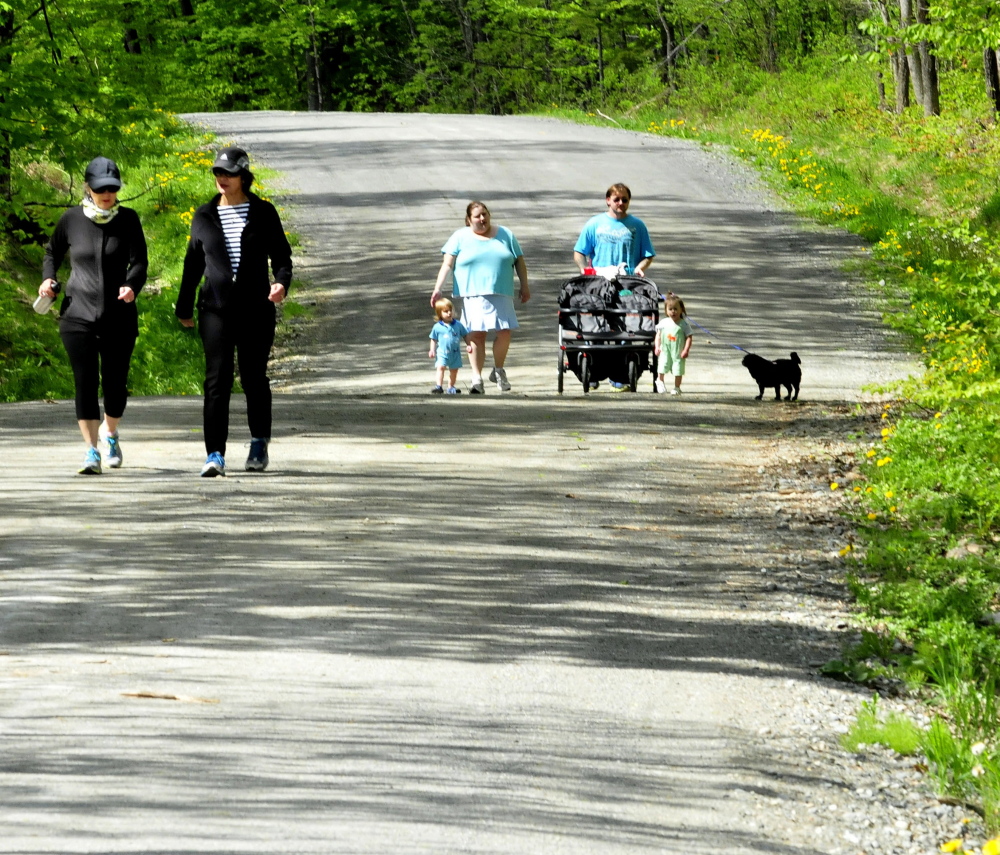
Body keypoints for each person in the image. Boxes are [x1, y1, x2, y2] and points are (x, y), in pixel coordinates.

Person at [176, 146, 292, 477]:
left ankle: (258, 442)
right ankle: (214, 454)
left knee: (254, 378)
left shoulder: (264, 212)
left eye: (227, 173)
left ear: (244, 176)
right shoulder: (203, 216)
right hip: (215, 308)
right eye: (217, 173)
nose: (221, 179)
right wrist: (184, 305)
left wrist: (281, 283)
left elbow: (282, 257)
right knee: (217, 380)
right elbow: (193, 264)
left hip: (256, 308)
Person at [39, 156, 148, 475]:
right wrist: (48, 278)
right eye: (101, 188)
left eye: (113, 189)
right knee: (85, 384)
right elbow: (52, 253)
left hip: (119, 315)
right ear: (88, 187)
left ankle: (111, 433)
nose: (108, 194)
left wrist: (131, 286)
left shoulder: (128, 219)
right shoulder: (71, 219)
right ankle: (91, 451)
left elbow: (139, 262)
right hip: (77, 315)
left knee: (115, 385)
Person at [430, 201, 530, 394]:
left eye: (485, 214)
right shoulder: (460, 236)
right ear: (469, 220)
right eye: (477, 216)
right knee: (476, 335)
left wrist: (525, 285)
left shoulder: (505, 235)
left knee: (504, 332)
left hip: (501, 290)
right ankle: (477, 379)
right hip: (472, 293)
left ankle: (498, 370)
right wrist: (438, 288)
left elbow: (519, 262)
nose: (482, 219)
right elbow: (447, 265)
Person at [573, 183, 655, 280]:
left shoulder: (638, 225)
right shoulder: (594, 224)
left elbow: (648, 256)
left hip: (628, 280)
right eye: (616, 199)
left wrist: (639, 268)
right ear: (608, 201)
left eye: (624, 200)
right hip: (599, 279)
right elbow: (579, 252)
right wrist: (584, 268)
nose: (621, 203)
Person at [428, 298, 472, 394]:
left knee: (454, 370)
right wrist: (432, 350)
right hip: (442, 353)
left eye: (450, 310)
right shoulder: (437, 327)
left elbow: (465, 335)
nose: (449, 313)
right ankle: (439, 386)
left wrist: (468, 345)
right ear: (440, 314)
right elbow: (433, 339)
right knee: (440, 368)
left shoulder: (458, 325)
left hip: (455, 353)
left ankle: (451, 387)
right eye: (445, 311)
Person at [654, 293, 693, 396]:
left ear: (681, 310)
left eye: (676, 309)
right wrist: (657, 347)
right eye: (670, 309)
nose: (673, 311)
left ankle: (677, 387)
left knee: (678, 369)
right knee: (662, 365)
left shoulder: (684, 324)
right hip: (665, 350)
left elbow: (689, 337)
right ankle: (660, 381)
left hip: (678, 352)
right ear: (666, 310)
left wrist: (686, 350)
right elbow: (658, 335)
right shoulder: (663, 322)